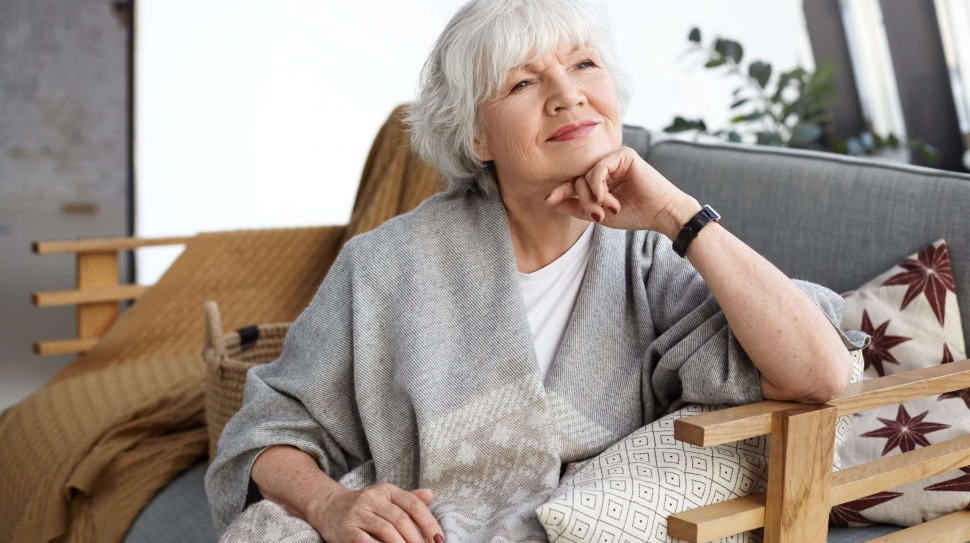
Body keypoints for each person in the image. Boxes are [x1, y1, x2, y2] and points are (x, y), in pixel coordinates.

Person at [206, 0, 869, 541]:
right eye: (523, 82)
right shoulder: (386, 264)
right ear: (478, 137)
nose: (566, 94)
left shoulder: (651, 257)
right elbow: (265, 429)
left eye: (584, 64)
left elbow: (821, 373)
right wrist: (329, 506)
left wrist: (676, 212)